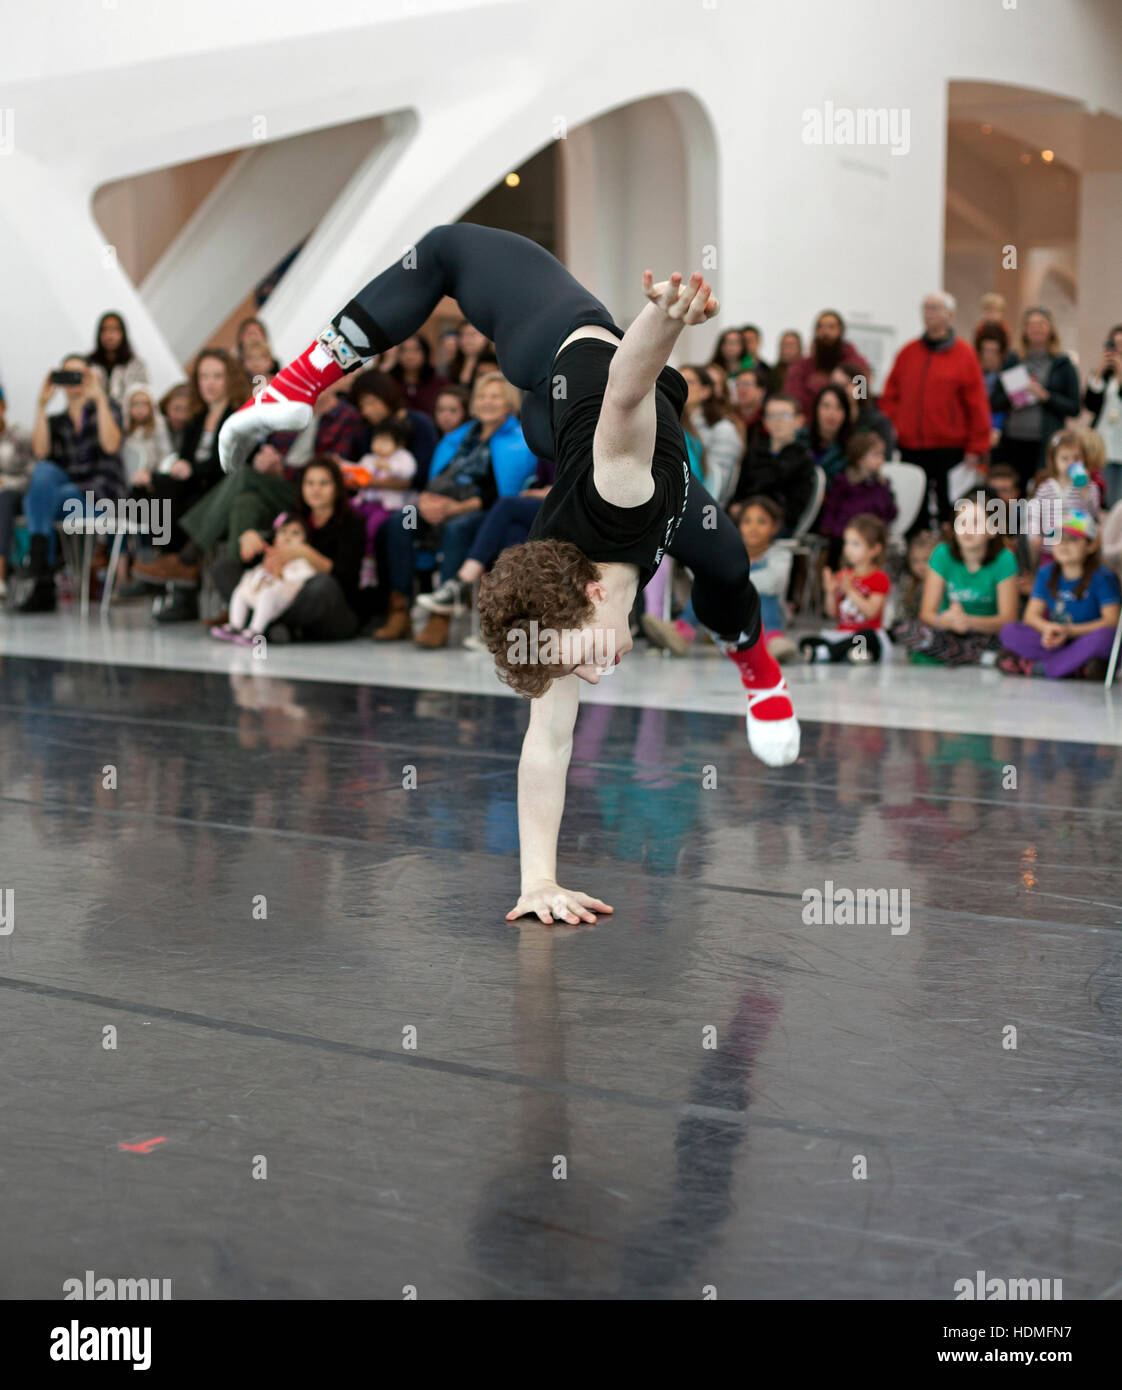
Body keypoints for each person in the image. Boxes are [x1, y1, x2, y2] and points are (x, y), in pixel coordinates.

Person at [217, 224, 800, 924]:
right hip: (562, 422)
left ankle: (761, 673)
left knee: (727, 563)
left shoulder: (618, 487)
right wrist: (538, 881)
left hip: (564, 357)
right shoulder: (555, 611)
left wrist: (663, 320)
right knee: (713, 551)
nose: (589, 674)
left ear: (589, 595)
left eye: (574, 661)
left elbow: (624, 390)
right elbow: (546, 744)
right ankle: (294, 384)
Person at [372, 371, 534, 648]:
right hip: (437, 505)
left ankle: (440, 615)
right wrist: (424, 501)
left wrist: (455, 508)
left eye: (495, 396)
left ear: (508, 402)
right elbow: (435, 477)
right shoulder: (458, 437)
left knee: (457, 528)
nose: (487, 402)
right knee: (401, 522)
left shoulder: (519, 441)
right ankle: (400, 608)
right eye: (482, 396)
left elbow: (503, 495)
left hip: (481, 512)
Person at [131, 348, 249, 621]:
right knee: (148, 489)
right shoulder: (197, 418)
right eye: (204, 376)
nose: (209, 383)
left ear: (230, 379)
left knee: (170, 493)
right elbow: (184, 457)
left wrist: (189, 469)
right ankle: (168, 569)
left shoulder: (239, 415)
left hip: (219, 488)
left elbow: (231, 464)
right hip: (193, 485)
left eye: (216, 376)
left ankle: (177, 575)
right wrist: (172, 469)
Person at [210, 457, 365, 643]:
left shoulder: (352, 523)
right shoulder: (294, 517)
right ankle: (268, 628)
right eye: (310, 483)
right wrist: (252, 541)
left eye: (324, 483)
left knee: (323, 586)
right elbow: (266, 553)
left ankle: (265, 626)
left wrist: (307, 554)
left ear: (337, 488)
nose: (316, 489)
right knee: (224, 568)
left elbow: (346, 579)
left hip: (329, 608)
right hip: (281, 593)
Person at [17, 355, 124, 613]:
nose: (75, 381)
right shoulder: (57, 421)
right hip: (64, 499)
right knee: (43, 472)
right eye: (68, 375)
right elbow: (40, 452)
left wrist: (99, 398)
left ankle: (42, 571)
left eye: (80, 374)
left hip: (100, 499)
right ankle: (41, 553)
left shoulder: (108, 409)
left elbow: (111, 444)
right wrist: (41, 406)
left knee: (46, 497)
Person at [879, 291, 991, 530]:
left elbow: (977, 404)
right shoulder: (907, 353)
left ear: (949, 315)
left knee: (948, 510)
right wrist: (895, 425)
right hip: (911, 447)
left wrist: (977, 447)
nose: (928, 314)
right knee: (913, 509)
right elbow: (890, 396)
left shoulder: (965, 355)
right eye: (925, 308)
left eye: (934, 308)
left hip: (949, 448)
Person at [893, 488, 1019, 665]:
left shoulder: (1005, 559)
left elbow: (1008, 619)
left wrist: (969, 622)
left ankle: (953, 655)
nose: (967, 530)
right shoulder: (942, 553)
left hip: (986, 634)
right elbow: (927, 613)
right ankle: (978, 658)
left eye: (975, 523)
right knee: (905, 630)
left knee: (1014, 637)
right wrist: (943, 621)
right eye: (962, 523)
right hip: (948, 631)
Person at [997, 509, 1119, 678]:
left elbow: (1111, 621)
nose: (1063, 544)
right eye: (1058, 538)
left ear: (1091, 545)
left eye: (1073, 540)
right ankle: (1073, 667)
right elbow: (1031, 616)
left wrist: (1069, 631)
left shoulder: (1103, 577)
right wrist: (1048, 628)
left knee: (1107, 637)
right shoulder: (1046, 573)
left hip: (1084, 638)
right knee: (1010, 631)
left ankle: (1048, 668)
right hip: (1055, 639)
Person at [998, 306, 1080, 486]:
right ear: (1025, 331)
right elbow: (995, 401)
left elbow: (1074, 408)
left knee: (1044, 490)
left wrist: (1046, 396)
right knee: (1014, 494)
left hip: (1047, 440)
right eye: (1031, 324)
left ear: (1051, 329)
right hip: (1014, 439)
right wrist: (1014, 398)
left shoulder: (1063, 364)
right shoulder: (1012, 360)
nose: (1036, 329)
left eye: (1041, 324)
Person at [211, 512, 320, 644]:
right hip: (262, 593)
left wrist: (281, 574)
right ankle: (235, 625)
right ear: (275, 539)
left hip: (282, 598)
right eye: (283, 532)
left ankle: (255, 631)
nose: (287, 537)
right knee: (241, 592)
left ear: (306, 542)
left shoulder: (301, 563)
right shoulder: (270, 558)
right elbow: (258, 573)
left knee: (268, 594)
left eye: (295, 533)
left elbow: (306, 577)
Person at [801, 514, 892, 664]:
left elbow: (871, 612)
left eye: (856, 544)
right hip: (844, 634)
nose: (848, 549)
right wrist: (830, 592)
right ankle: (843, 653)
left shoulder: (879, 578)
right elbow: (832, 613)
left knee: (866, 636)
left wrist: (850, 591)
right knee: (807, 640)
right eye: (847, 543)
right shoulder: (843, 575)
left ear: (874, 549)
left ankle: (829, 652)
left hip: (866, 635)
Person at [730, 394, 814, 534]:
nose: (778, 421)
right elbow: (740, 492)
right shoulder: (754, 453)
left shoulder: (803, 459)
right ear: (765, 421)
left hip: (775, 523)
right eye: (772, 416)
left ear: (799, 421)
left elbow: (795, 507)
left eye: (784, 415)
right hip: (744, 516)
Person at [347, 418, 417, 587]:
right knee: (346, 512)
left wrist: (388, 467)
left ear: (399, 444)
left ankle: (369, 563)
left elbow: (408, 471)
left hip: (389, 507)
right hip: (365, 502)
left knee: (371, 528)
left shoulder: (402, 457)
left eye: (385, 441)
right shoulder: (369, 458)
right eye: (376, 440)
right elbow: (358, 471)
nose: (379, 445)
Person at [818, 431, 897, 567]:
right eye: (875, 455)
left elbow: (890, 512)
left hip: (871, 537)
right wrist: (827, 528)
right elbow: (832, 506)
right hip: (843, 535)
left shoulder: (881, 485)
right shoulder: (845, 482)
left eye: (881, 455)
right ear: (860, 459)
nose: (881, 459)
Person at [784, 310, 871, 418]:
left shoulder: (857, 364)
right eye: (820, 327)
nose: (825, 332)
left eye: (831, 327)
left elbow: (863, 397)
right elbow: (793, 400)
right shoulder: (801, 367)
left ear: (840, 331)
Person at [680, 363, 742, 506]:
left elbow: (717, 483)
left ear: (705, 391)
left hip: (705, 510)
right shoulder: (671, 424)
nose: (681, 385)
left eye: (689, 381)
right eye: (679, 379)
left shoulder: (723, 429)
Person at [0, 385, 35, 601]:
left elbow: (33, 474)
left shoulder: (19, 435)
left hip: (17, 495)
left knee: (3, 501)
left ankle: (0, 575)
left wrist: (5, 481)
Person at [1082, 323, 1122, 508]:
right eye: (1114, 344)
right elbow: (1090, 404)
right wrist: (1099, 371)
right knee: (1099, 496)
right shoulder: (1104, 375)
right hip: (1102, 443)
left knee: (1118, 501)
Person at [87, 311, 149, 409]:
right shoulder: (89, 364)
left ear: (123, 334)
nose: (109, 335)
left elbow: (142, 396)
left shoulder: (136, 365)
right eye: (104, 330)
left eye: (114, 330)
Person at [831, 361, 896, 454]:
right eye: (833, 386)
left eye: (842, 385)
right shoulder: (830, 419)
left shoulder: (878, 423)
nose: (836, 391)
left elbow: (884, 457)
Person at [389, 335, 449, 417]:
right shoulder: (389, 382)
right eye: (404, 350)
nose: (410, 355)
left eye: (416, 350)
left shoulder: (440, 383)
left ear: (425, 353)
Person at [802, 384, 852, 480]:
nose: (831, 413)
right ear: (816, 409)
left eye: (839, 407)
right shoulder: (800, 439)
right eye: (826, 406)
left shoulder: (851, 449)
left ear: (846, 414)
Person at [975, 329, 1010, 456]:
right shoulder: (972, 372)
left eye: (994, 351)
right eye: (986, 350)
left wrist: (996, 428)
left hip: (999, 431)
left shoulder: (1006, 373)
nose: (989, 355)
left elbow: (1007, 403)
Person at [447, 319, 498, 388]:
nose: (468, 339)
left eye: (473, 334)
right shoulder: (454, 363)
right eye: (463, 334)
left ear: (486, 337)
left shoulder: (492, 363)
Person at [729, 366, 768, 450]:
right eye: (738, 384)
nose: (741, 389)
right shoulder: (729, 416)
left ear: (762, 391)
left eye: (747, 384)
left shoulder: (768, 418)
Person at [159, 384, 194, 454]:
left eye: (188, 410)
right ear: (166, 406)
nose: (181, 416)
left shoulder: (195, 429)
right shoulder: (156, 427)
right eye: (177, 409)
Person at [768, 330, 803, 395]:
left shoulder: (805, 371)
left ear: (799, 347)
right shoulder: (773, 373)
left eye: (790, 345)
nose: (786, 349)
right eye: (783, 345)